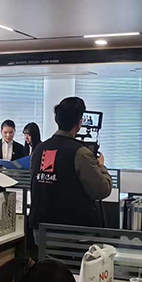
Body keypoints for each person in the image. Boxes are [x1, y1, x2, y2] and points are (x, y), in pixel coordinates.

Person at [29, 97, 112, 236]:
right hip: (71, 231)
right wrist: (101, 166)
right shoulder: (80, 152)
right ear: (79, 124)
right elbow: (102, 190)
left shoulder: (39, 149)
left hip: (41, 229)